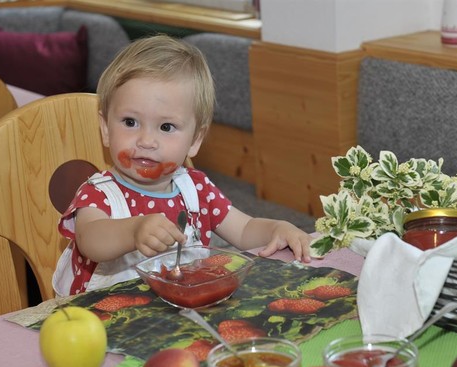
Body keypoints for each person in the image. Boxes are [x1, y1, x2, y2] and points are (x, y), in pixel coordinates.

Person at [52, 35, 312, 296]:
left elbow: (244, 230)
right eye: (130, 122)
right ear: (106, 129)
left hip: (179, 311)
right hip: (103, 323)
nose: (146, 141)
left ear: (195, 140)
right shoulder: (99, 194)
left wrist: (276, 228)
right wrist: (133, 230)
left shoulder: (196, 188)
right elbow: (91, 240)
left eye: (166, 127)